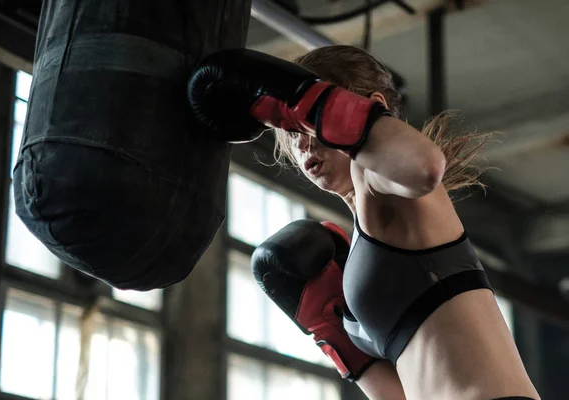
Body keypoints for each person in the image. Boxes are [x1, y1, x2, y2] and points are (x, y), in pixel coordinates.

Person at [188, 45, 540, 400]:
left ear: (371, 106)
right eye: (292, 133)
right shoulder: (365, 241)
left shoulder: (379, 181)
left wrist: (315, 103)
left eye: (305, 122)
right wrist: (342, 344)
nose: (304, 143)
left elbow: (426, 166)